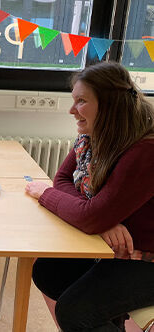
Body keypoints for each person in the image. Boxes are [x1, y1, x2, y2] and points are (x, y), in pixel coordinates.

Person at [25, 62, 154, 332]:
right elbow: (62, 180)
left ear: (108, 106)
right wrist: (102, 218)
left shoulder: (145, 151)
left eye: (81, 101)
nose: (72, 111)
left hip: (147, 259)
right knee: (47, 271)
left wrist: (45, 194)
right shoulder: (91, 139)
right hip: (118, 249)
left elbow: (84, 211)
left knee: (74, 311)